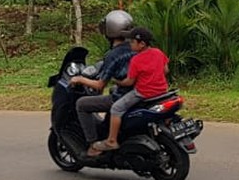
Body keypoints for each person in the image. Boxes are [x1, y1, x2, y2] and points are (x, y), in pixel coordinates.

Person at [89, 26, 169, 156]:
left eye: (132, 42)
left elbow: (129, 82)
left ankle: (111, 140)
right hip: (161, 91)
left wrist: (117, 81)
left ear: (142, 44)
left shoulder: (136, 60)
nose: (130, 44)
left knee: (116, 108)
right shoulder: (158, 52)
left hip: (143, 93)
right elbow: (166, 70)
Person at [69, 9, 136, 144]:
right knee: (112, 90)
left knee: (81, 104)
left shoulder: (113, 55)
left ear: (110, 31)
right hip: (140, 91)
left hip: (124, 96)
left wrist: (80, 79)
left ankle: (93, 143)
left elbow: (99, 85)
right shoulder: (136, 47)